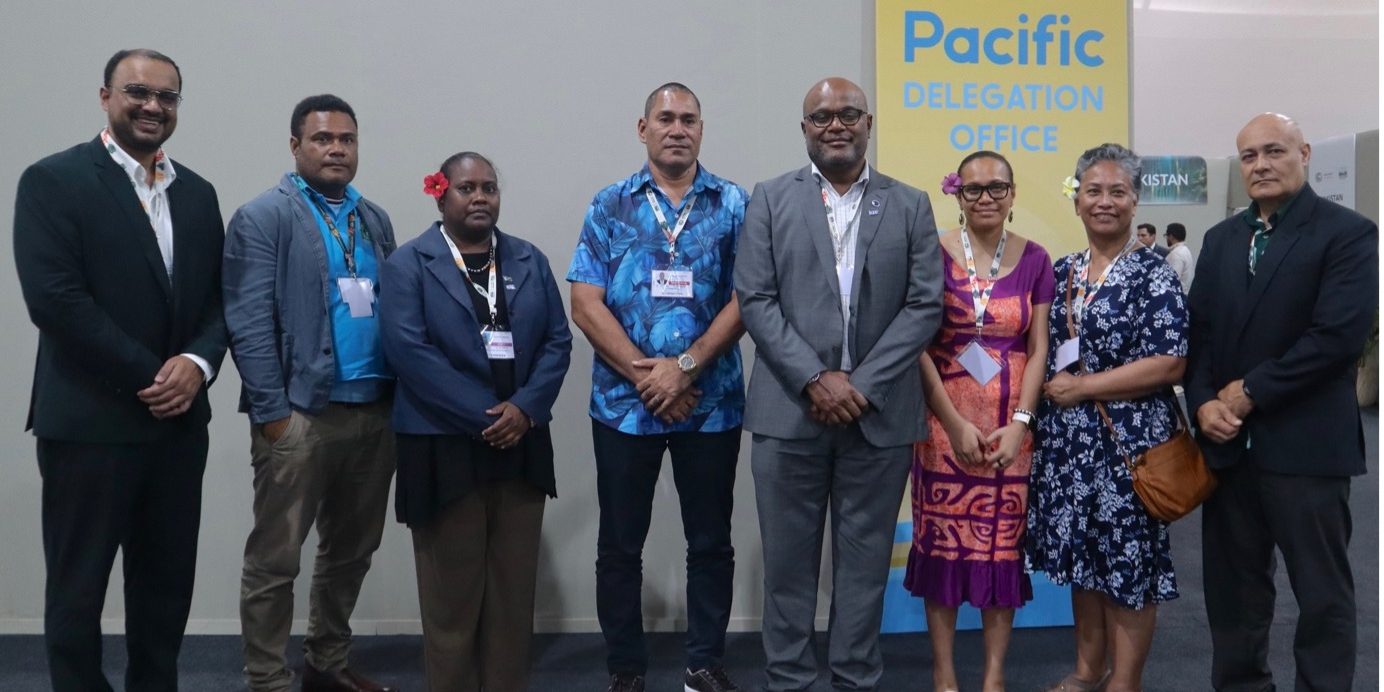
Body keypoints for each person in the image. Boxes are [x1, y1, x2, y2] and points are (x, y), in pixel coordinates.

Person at [13, 48, 228, 691]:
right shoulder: (53, 181)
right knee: (77, 596)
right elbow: (56, 301)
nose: (153, 106)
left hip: (177, 429)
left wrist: (196, 363)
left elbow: (221, 299)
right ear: (105, 96)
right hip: (88, 424)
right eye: (138, 92)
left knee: (165, 593)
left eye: (167, 97)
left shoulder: (197, 193)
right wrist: (155, 376)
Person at [736, 76, 943, 692]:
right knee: (788, 570)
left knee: (864, 569)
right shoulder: (770, 199)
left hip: (876, 418)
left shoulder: (909, 204)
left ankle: (855, 677)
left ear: (868, 124)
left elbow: (924, 305)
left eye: (848, 114)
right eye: (821, 117)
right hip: (789, 414)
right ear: (804, 129)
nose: (836, 125)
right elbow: (756, 297)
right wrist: (814, 379)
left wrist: (861, 385)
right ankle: (791, 680)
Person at [567, 82, 748, 692]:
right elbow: (585, 301)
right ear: (641, 128)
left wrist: (687, 367)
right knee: (620, 546)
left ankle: (704, 663)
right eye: (665, 118)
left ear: (702, 129)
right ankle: (625, 668)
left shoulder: (734, 204)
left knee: (711, 542)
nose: (678, 128)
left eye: (689, 119)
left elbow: (749, 297)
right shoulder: (609, 204)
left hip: (711, 402)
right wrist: (652, 376)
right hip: (624, 406)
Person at [1187, 113, 1376, 692]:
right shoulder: (1221, 240)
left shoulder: (1348, 233)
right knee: (1234, 596)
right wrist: (1201, 405)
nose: (1261, 165)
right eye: (1249, 156)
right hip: (1227, 451)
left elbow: (1336, 338)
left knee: (1322, 597)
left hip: (1306, 449)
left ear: (1305, 153)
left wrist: (1247, 393)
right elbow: (1199, 340)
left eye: (1274, 151)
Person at [223, 95, 398, 692]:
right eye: (322, 139)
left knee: (350, 552)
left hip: (374, 413)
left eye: (346, 139)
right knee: (276, 559)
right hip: (300, 416)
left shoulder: (372, 217)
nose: (336, 149)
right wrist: (274, 417)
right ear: (295, 145)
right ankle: (268, 677)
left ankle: (327, 661)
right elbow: (247, 323)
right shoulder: (263, 216)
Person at [380, 152, 572, 691]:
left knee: (513, 593)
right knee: (452, 598)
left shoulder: (528, 259)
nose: (481, 197)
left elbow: (558, 341)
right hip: (444, 445)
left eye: (489, 187)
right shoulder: (408, 264)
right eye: (467, 188)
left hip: (522, 442)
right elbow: (409, 353)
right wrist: (487, 416)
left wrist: (526, 409)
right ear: (440, 195)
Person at [1026, 143, 1188, 692]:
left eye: (1117, 192)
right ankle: (1087, 670)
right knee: (1084, 565)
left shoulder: (1153, 275)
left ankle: (1125, 682)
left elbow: (1170, 361)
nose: (1104, 202)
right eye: (1093, 191)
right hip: (1070, 449)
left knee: (1128, 571)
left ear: (1135, 201)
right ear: (1077, 201)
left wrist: (1083, 387)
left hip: (1129, 451)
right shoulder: (1063, 269)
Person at [906, 151, 1053, 692]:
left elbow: (1037, 350)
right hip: (943, 425)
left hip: (1011, 431)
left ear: (1013, 195)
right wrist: (951, 421)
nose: (986, 198)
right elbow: (916, 344)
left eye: (997, 188)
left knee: (1001, 553)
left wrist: (1021, 422)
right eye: (974, 190)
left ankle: (994, 679)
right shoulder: (931, 253)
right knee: (942, 549)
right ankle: (944, 676)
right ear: (956, 194)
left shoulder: (1036, 259)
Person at [1163, 222, 1194, 293]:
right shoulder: (1185, 250)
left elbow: (1171, 279)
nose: (1166, 239)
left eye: (1166, 236)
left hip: (1176, 296)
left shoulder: (1176, 254)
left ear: (1171, 236)